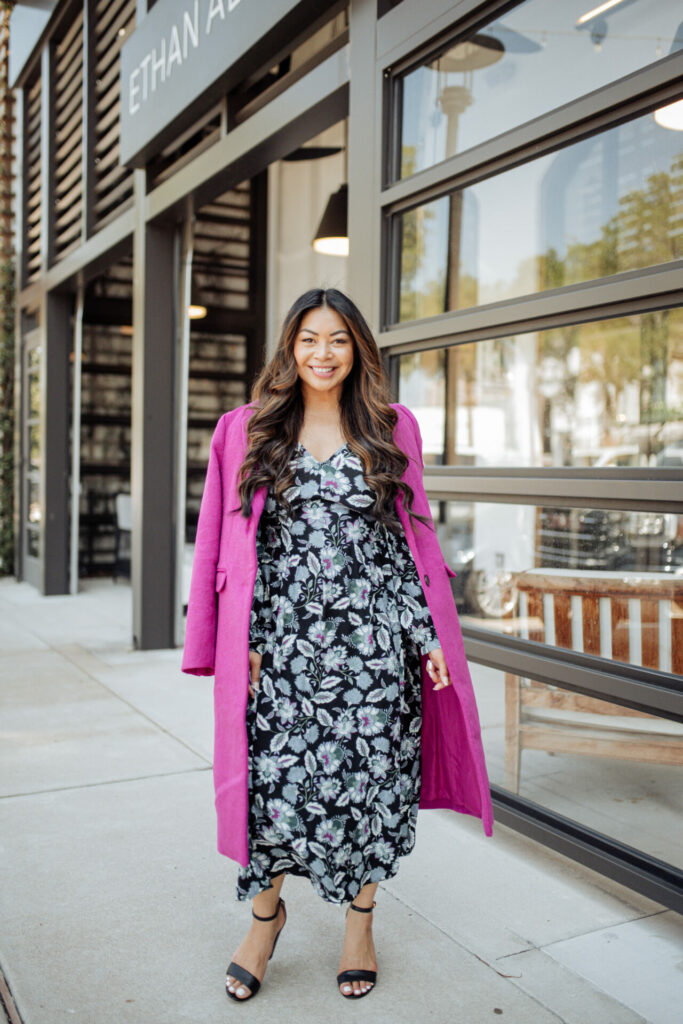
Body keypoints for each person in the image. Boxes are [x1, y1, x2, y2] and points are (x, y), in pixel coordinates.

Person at [181, 288, 493, 1003]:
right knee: (271, 791)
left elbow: (409, 540)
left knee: (370, 787)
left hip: (373, 645)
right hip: (283, 646)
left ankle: (359, 923)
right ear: (290, 348)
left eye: (338, 341)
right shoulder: (246, 429)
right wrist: (242, 638)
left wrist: (425, 636)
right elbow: (222, 542)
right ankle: (265, 919)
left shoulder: (390, 427)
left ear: (358, 351)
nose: (323, 354)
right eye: (309, 340)